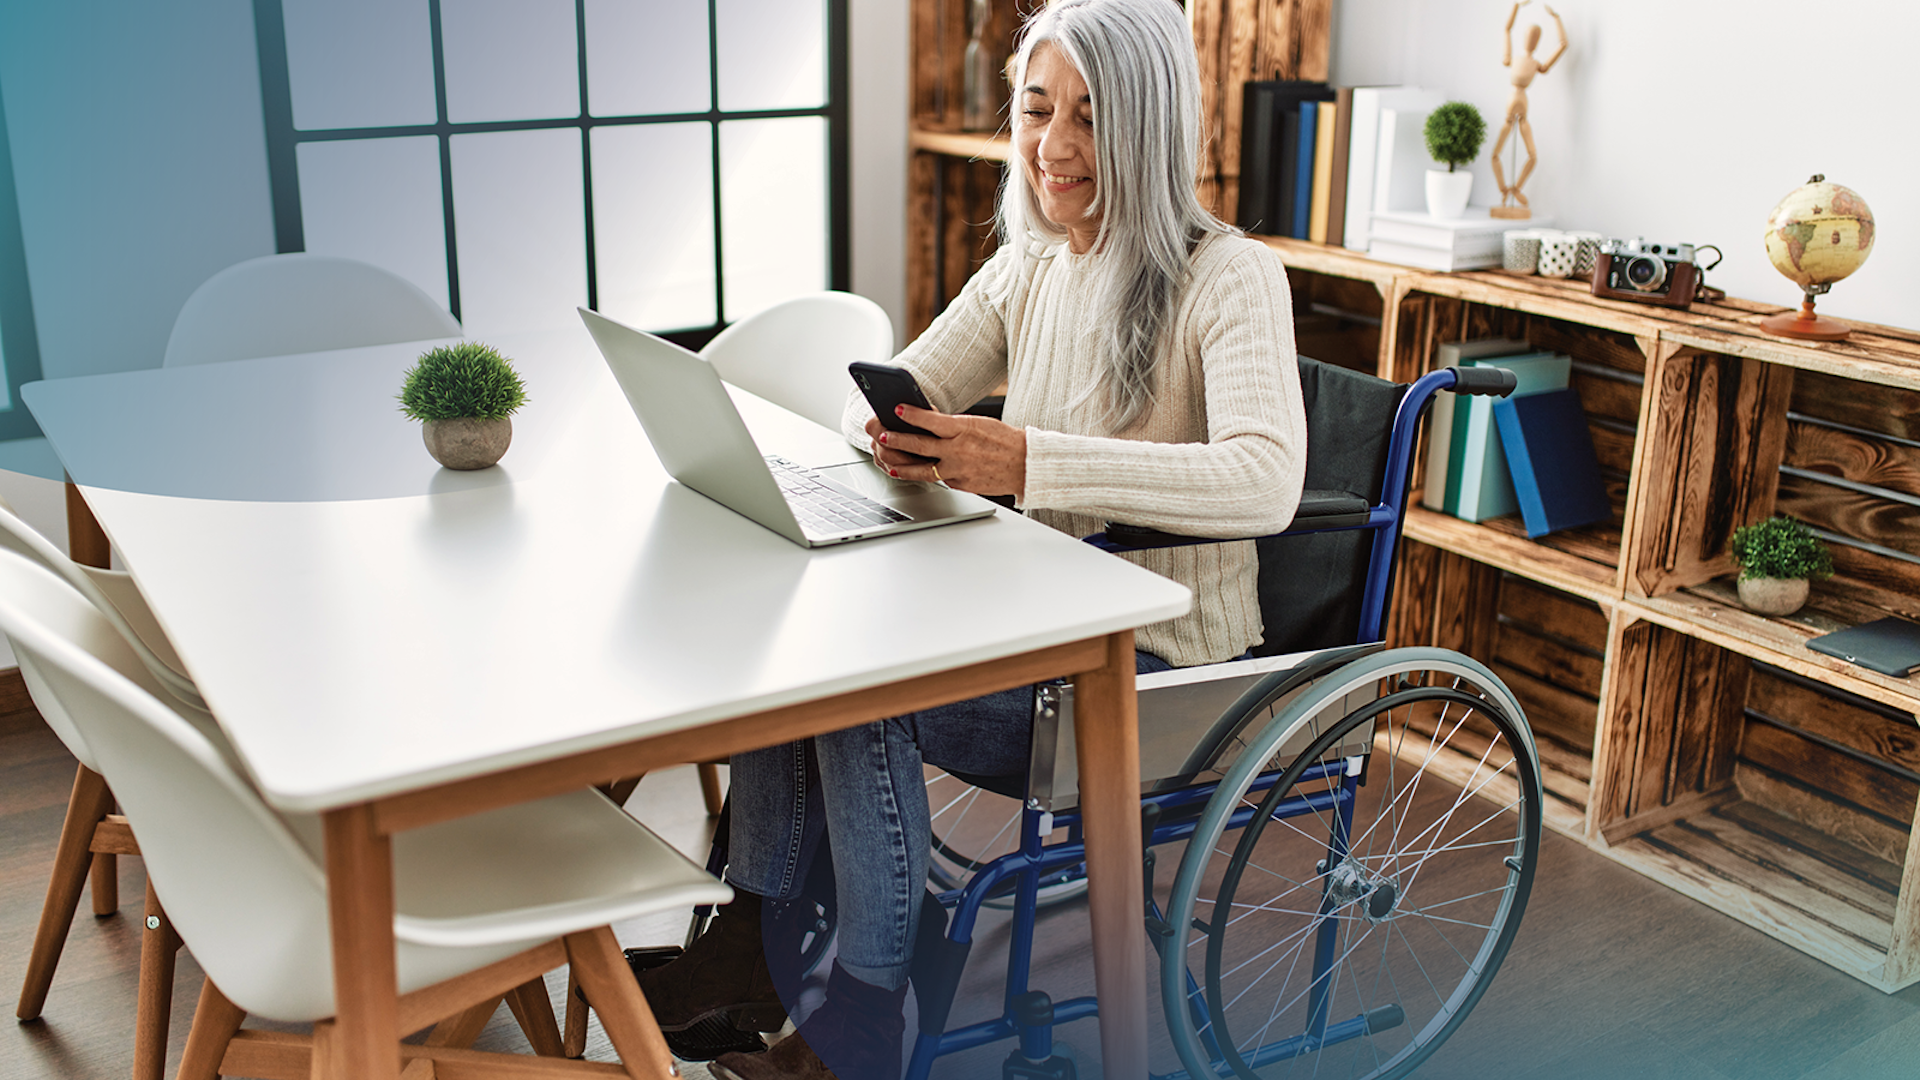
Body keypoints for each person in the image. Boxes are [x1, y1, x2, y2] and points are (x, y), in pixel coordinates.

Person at [638, 1, 1307, 1077]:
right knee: (799, 638)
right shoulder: (1032, 261)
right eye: (1039, 110)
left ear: (1152, 124)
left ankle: (853, 1017)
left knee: (864, 689)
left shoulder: (1230, 276)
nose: (1054, 145)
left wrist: (1028, 460)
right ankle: (756, 940)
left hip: (1151, 669)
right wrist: (892, 433)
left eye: (1091, 116)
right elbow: (913, 383)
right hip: (1031, 617)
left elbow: (1268, 479)